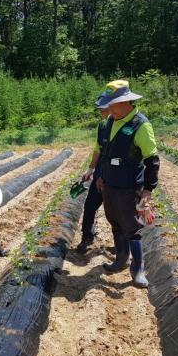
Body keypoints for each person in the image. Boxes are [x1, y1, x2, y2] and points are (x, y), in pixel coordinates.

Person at [95, 80, 160, 288]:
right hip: (109, 185)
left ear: (125, 102)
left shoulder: (141, 125)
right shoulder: (112, 122)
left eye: (111, 104)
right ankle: (121, 259)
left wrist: (147, 192)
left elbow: (152, 161)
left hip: (129, 186)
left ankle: (138, 269)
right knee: (114, 222)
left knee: (131, 227)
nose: (108, 109)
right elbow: (106, 153)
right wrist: (100, 176)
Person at [76, 98, 110, 253]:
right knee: (90, 205)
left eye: (103, 109)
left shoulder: (124, 126)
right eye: (100, 109)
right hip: (100, 173)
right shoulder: (102, 125)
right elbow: (98, 149)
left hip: (118, 177)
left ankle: (123, 247)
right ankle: (87, 238)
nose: (101, 112)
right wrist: (90, 169)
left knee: (118, 212)